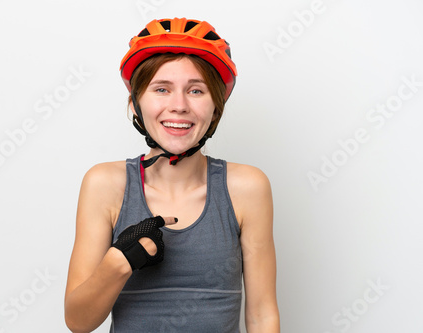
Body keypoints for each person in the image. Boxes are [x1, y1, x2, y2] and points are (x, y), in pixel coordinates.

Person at [64, 18, 280, 332]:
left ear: (215, 108)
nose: (178, 106)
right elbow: (78, 321)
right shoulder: (105, 185)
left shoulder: (246, 187)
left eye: (196, 90)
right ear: (136, 104)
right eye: (162, 89)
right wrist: (118, 263)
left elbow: (262, 315)